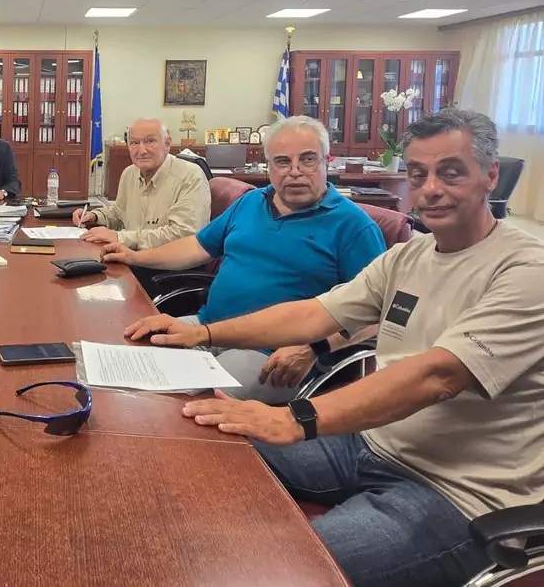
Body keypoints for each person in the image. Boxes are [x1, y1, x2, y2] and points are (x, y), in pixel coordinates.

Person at [123, 109, 544, 587]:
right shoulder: (408, 257)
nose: (430, 189)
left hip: (453, 491)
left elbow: (439, 376)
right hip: (370, 443)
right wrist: (204, 333)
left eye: (451, 173)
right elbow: (313, 314)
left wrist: (293, 418)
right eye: (418, 174)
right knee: (197, 448)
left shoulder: (526, 271)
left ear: (490, 175)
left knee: (279, 566)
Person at [103, 116, 385, 404]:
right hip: (205, 327)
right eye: (282, 161)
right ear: (268, 166)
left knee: (180, 402)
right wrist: (134, 256)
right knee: (129, 361)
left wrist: (314, 348)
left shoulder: (353, 226)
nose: (295, 171)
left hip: (270, 354)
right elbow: (196, 247)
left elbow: (375, 315)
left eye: (308, 159)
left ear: (327, 161)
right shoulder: (252, 202)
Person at [74, 118, 210, 292]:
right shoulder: (130, 173)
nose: (142, 150)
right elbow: (119, 213)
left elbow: (182, 237)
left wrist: (120, 237)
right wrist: (95, 216)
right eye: (134, 143)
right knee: (79, 281)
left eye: (150, 141)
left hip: (169, 273)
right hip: (132, 261)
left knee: (96, 293)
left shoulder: (190, 176)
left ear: (167, 144)